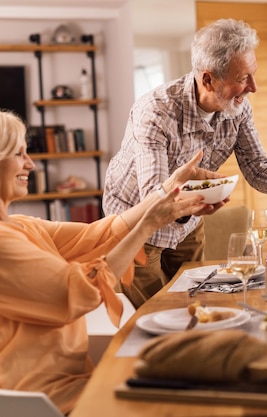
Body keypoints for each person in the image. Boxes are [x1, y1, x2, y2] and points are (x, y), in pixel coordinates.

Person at [0, 110, 217, 413]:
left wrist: (170, 187)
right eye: (18, 153)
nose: (30, 164)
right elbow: (77, 292)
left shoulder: (21, 225)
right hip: (47, 400)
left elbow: (100, 235)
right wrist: (148, 226)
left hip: (79, 380)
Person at [103, 18, 267, 308]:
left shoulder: (237, 109)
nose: (253, 87)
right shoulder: (156, 112)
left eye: (253, 74)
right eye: (243, 78)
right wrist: (193, 204)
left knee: (194, 303)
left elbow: (257, 168)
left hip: (188, 220)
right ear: (208, 79)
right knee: (153, 312)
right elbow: (153, 197)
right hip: (138, 223)